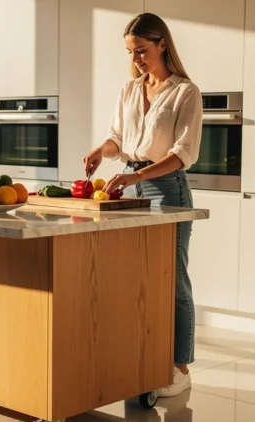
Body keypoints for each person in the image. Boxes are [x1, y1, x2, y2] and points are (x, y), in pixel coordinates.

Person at [82, 12, 203, 398]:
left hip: (166, 189)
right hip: (127, 189)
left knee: (172, 280)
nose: (136, 59)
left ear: (162, 44)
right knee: (132, 279)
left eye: (142, 50)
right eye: (131, 52)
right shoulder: (130, 90)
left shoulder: (185, 92)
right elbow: (118, 139)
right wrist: (103, 150)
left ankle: (179, 367)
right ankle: (140, 355)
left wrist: (137, 176)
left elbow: (182, 154)